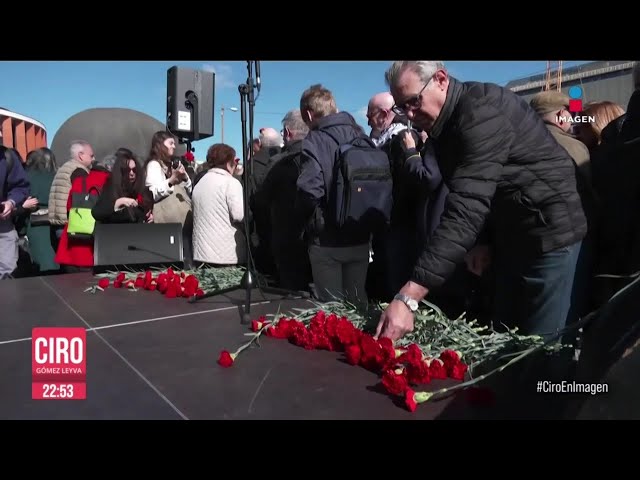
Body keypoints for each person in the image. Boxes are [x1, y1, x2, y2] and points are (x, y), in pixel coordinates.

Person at [376, 61, 587, 342]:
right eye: (403, 107)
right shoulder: (444, 125)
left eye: (414, 101)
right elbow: (480, 190)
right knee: (503, 340)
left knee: (541, 349)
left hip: (550, 236)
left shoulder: (481, 112)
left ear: (440, 79)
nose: (411, 115)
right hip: (511, 238)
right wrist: (482, 240)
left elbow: (466, 207)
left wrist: (409, 296)